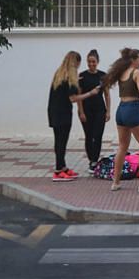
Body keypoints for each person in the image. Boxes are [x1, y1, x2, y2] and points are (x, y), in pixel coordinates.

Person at [100, 48, 139, 194]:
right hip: (133, 110)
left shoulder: (122, 73)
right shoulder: (137, 72)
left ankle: (116, 182)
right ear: (133, 60)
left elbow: (131, 86)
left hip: (121, 110)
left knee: (122, 147)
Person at [48, 52, 84, 181]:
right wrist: (90, 93)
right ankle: (58, 170)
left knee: (59, 140)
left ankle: (62, 167)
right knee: (61, 142)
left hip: (54, 111)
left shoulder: (59, 74)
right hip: (63, 113)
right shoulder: (71, 75)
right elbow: (73, 98)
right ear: (76, 62)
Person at [78, 49, 111, 171]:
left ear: (98, 62)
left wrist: (108, 111)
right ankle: (91, 158)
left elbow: (107, 94)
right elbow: (78, 96)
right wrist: (81, 112)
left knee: (97, 135)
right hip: (86, 110)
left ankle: (94, 160)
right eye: (89, 61)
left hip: (99, 110)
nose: (91, 64)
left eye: (93, 61)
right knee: (89, 135)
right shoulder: (82, 76)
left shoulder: (102, 76)